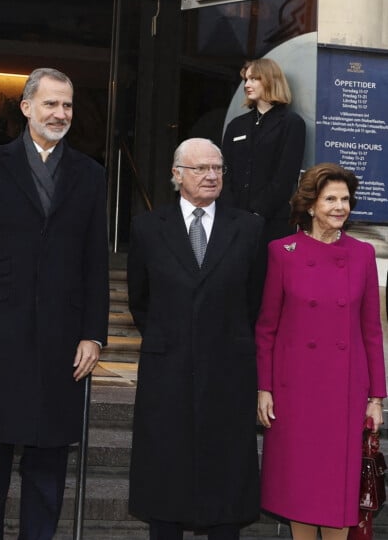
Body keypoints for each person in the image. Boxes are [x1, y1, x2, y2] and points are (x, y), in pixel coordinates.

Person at [0, 67, 109, 539]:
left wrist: (94, 333)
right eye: (50, 104)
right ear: (26, 108)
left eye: (67, 105)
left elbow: (95, 261)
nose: (60, 113)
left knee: (48, 464)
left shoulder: (90, 173)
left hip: (62, 337)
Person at [127, 138, 263, 539]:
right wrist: (171, 338)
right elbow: (140, 299)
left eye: (218, 168)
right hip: (166, 368)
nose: (211, 176)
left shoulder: (248, 227)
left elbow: (254, 299)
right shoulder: (148, 227)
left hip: (228, 370)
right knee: (165, 472)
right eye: (201, 168)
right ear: (176, 175)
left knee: (225, 474)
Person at [256, 163, 386, 540]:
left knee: (335, 492)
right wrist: (265, 388)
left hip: (344, 391)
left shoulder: (362, 254)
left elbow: (371, 331)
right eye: (331, 198)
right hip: (295, 391)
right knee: (301, 488)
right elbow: (267, 328)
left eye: (345, 199)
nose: (339, 206)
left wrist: (376, 396)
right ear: (311, 205)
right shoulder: (283, 252)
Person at [221, 58, 306, 242]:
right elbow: (224, 171)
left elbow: (285, 176)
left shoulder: (291, 123)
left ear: (269, 80)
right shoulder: (237, 125)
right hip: (234, 219)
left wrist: (258, 211)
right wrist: (230, 209)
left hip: (272, 221)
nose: (247, 84)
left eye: (254, 79)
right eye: (246, 80)